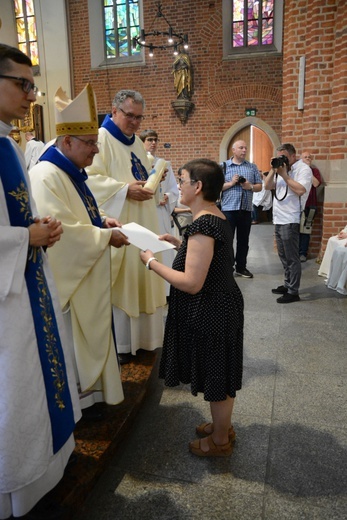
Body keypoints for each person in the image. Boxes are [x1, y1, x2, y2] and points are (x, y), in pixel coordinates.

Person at [0, 43, 81, 519]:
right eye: (22, 83)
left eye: (32, 84)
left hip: (24, 283)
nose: (32, 94)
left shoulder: (7, 143)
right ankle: (15, 483)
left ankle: (44, 466)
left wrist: (36, 229)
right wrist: (21, 237)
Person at [30, 84, 128, 413]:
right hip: (68, 288)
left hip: (86, 275)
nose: (95, 152)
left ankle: (96, 391)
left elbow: (80, 216)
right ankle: (82, 400)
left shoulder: (71, 172)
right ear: (67, 141)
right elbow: (61, 233)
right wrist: (102, 237)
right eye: (90, 144)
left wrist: (102, 221)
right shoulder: (45, 175)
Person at [140, 159, 244, 457]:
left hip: (213, 307)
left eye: (183, 180)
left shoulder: (202, 224)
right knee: (220, 371)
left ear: (197, 187)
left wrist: (151, 262)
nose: (179, 186)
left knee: (217, 375)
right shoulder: (214, 216)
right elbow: (209, 257)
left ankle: (221, 440)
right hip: (223, 302)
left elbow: (191, 282)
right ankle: (221, 426)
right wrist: (180, 244)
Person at [86, 90, 166, 365]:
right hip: (120, 222)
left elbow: (141, 176)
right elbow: (88, 179)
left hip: (143, 220)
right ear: (114, 110)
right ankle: (122, 343)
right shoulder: (100, 139)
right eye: (129, 115)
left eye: (139, 117)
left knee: (144, 276)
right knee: (125, 282)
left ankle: (145, 341)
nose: (134, 122)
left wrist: (152, 181)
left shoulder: (136, 144)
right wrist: (123, 191)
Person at [264, 143, 312, 303]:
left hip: (290, 219)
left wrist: (284, 175)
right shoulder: (280, 169)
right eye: (279, 156)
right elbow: (267, 186)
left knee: (292, 258)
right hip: (278, 218)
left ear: (293, 156)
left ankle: (293, 291)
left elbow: (300, 190)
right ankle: (287, 283)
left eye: (284, 156)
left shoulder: (303, 169)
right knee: (283, 255)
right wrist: (273, 168)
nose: (282, 159)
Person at [140, 128, 179, 296]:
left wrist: (167, 197)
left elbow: (173, 190)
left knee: (163, 248)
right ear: (142, 142)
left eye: (155, 139)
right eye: (149, 139)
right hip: (143, 212)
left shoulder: (164, 164)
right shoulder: (137, 163)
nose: (153, 143)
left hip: (160, 213)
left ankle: (165, 290)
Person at [220, 140, 263, 278]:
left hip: (245, 209)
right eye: (241, 148)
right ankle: (227, 268)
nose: (244, 150)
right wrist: (232, 183)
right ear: (233, 150)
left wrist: (249, 186)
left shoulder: (252, 167)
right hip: (228, 208)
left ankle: (241, 267)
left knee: (243, 240)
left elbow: (259, 186)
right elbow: (217, 187)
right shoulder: (223, 166)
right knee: (227, 240)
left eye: (245, 148)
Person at [299, 151, 322, 262]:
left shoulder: (314, 171)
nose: (307, 159)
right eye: (305, 157)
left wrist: (309, 170)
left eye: (309, 157)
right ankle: (295, 252)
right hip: (298, 205)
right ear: (300, 159)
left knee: (306, 230)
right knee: (295, 229)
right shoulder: (297, 170)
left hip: (310, 205)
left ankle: (303, 253)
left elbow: (316, 184)